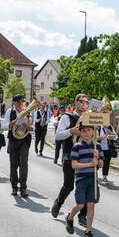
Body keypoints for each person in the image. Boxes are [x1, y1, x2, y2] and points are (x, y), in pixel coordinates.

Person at [51, 94, 89, 226]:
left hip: (86, 158)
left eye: (87, 102)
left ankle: (82, 216)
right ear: (76, 102)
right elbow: (58, 135)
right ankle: (58, 202)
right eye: (82, 101)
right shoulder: (67, 117)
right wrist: (71, 131)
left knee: (85, 187)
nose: (85, 104)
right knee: (69, 185)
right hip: (70, 155)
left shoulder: (89, 118)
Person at [65, 124, 103, 237]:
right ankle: (70, 218)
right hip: (81, 179)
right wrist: (90, 164)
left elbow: (101, 165)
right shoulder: (77, 146)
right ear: (80, 133)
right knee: (81, 205)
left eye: (89, 130)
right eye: (84, 131)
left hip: (93, 178)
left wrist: (98, 159)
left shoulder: (98, 146)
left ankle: (88, 231)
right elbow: (74, 165)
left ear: (93, 132)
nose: (86, 133)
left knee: (91, 205)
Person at [2, 95, 33, 198]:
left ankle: (23, 188)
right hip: (13, 140)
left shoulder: (28, 112)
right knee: (13, 164)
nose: (21, 104)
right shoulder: (9, 112)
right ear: (14, 102)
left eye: (22, 102)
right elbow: (4, 125)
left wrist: (27, 127)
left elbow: (33, 128)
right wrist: (10, 125)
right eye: (19, 102)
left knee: (24, 164)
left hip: (25, 140)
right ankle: (14, 187)